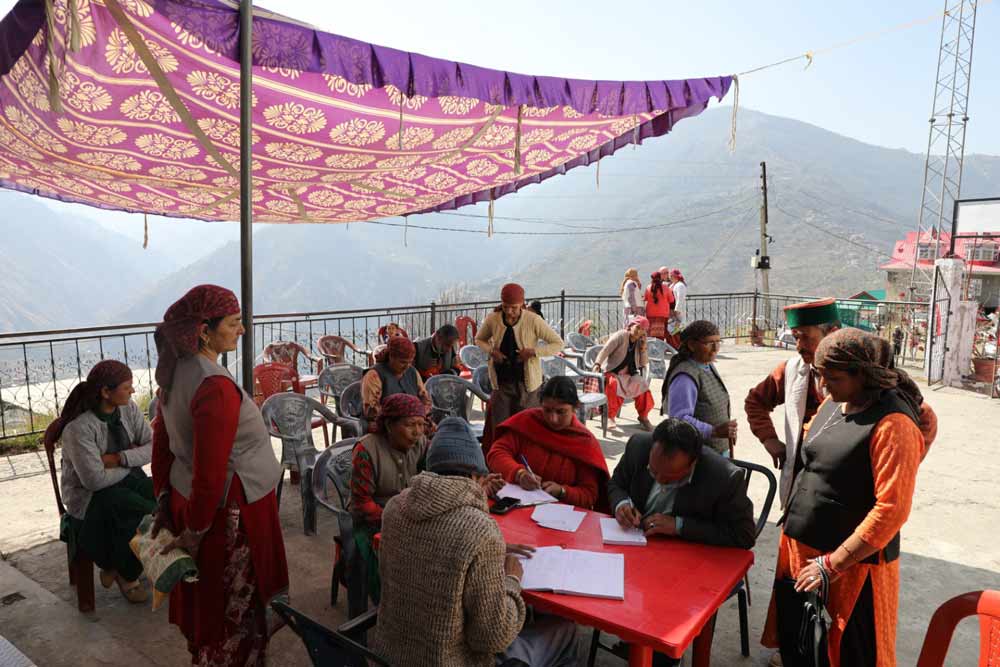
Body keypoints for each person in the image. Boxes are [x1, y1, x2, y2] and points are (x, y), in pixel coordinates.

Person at [762, 328, 934, 667]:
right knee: (803, 646)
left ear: (864, 375)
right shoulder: (835, 402)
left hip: (851, 569)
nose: (824, 387)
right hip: (802, 551)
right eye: (820, 376)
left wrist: (832, 564)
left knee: (848, 651)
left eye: (834, 378)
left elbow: (891, 510)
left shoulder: (894, 424)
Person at [151, 285, 287, 666]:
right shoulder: (213, 387)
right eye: (234, 322)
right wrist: (195, 531)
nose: (242, 329)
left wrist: (164, 497)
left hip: (193, 498)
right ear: (204, 332)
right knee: (232, 606)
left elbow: (162, 444)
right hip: (230, 509)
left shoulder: (175, 371)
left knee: (209, 598)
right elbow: (210, 474)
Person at [373, 416, 580, 667]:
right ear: (476, 475)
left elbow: (434, 548)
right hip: (449, 661)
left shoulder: (395, 507)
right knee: (565, 630)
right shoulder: (479, 530)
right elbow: (492, 638)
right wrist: (511, 579)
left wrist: (490, 552)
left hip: (389, 656)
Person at [608, 418, 755, 667]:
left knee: (665, 628)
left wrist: (679, 526)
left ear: (693, 463)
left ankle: (659, 656)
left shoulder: (724, 477)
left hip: (690, 565)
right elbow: (616, 484)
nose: (660, 481)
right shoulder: (638, 446)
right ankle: (637, 643)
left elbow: (743, 535)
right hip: (638, 551)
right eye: (653, 472)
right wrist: (622, 504)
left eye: (670, 478)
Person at [44, 360, 156, 604]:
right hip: (88, 497)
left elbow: (153, 445)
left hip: (124, 479)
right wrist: (131, 463)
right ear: (106, 392)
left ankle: (116, 567)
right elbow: (94, 480)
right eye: (126, 387)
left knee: (161, 494)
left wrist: (119, 459)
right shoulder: (78, 429)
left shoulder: (128, 409)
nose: (133, 391)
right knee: (135, 507)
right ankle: (127, 573)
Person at [744, 298, 841, 507]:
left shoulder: (860, 377)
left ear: (832, 334)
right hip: (800, 479)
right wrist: (769, 438)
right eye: (796, 337)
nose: (799, 346)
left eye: (806, 337)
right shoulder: (791, 370)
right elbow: (755, 401)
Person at [350, 393, 430, 601]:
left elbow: (431, 481)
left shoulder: (421, 444)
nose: (417, 432)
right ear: (389, 425)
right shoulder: (366, 450)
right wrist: (396, 519)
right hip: (373, 523)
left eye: (421, 424)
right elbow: (362, 504)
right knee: (393, 567)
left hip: (412, 516)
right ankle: (391, 606)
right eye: (410, 425)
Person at [487, 376, 610, 510]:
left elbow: (589, 495)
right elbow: (496, 453)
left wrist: (562, 491)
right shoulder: (528, 422)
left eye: (561, 412)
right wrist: (519, 473)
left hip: (562, 515)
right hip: (516, 507)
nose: (553, 419)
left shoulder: (584, 441)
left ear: (576, 407)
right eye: (547, 410)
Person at [476, 283, 563, 440]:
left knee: (525, 430)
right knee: (500, 429)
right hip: (501, 383)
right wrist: (492, 351)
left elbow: (558, 343)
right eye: (505, 307)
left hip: (527, 386)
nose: (509, 312)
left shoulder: (533, 320)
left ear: (522, 304)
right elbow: (479, 339)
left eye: (514, 308)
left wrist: (533, 352)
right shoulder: (493, 319)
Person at [661, 320, 736, 456]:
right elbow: (679, 419)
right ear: (692, 345)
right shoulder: (685, 376)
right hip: (699, 455)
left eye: (718, 342)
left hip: (717, 450)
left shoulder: (707, 364)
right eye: (709, 343)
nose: (715, 348)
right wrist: (714, 431)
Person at [593, 316, 655, 432]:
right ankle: (610, 416)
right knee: (613, 384)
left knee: (642, 385)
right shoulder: (620, 335)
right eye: (638, 327)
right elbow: (605, 350)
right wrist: (597, 364)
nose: (639, 331)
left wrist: (643, 348)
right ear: (631, 326)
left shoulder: (639, 341)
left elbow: (643, 363)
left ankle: (643, 417)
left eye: (643, 329)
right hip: (613, 372)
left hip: (629, 374)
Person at [361, 336, 432, 431]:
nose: (406, 366)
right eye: (402, 362)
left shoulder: (412, 372)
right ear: (391, 357)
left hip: (414, 421)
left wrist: (422, 414)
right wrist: (402, 417)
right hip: (386, 424)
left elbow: (425, 399)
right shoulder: (374, 375)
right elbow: (371, 410)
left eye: (410, 362)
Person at [643, 271, 674, 340]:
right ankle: (660, 346)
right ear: (660, 278)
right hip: (663, 314)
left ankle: (652, 346)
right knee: (661, 335)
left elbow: (645, 298)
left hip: (650, 314)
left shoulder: (648, 287)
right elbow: (671, 300)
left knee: (651, 334)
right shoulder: (666, 287)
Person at [667, 268, 688, 332]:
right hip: (672, 309)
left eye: (671, 276)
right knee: (674, 325)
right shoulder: (673, 284)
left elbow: (680, 298)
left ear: (675, 276)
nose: (670, 278)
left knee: (680, 324)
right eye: (670, 276)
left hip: (678, 309)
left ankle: (679, 336)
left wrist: (677, 309)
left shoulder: (680, 285)